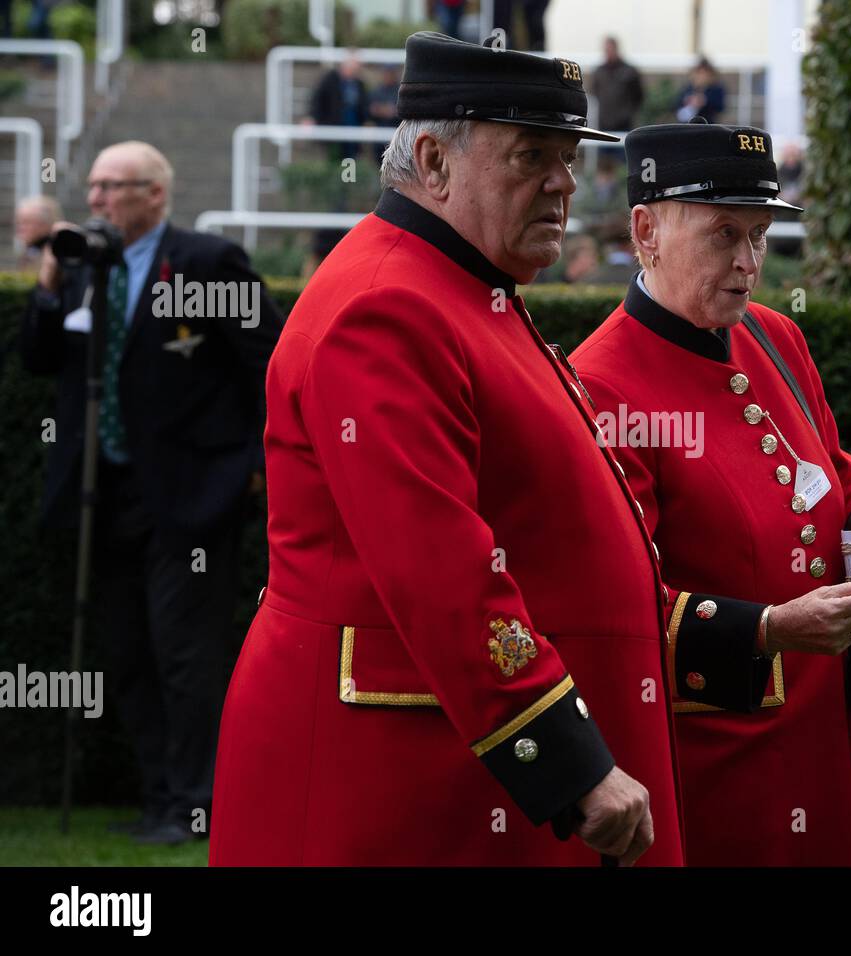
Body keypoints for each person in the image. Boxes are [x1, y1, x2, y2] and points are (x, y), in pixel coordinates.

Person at [209, 32, 724, 867]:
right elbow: (438, 567)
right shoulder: (388, 306)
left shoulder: (461, 286)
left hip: (448, 766)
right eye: (531, 154)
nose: (564, 181)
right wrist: (567, 757)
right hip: (395, 779)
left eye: (568, 155)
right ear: (432, 162)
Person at [571, 120, 851, 865]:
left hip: (830, 737)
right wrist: (767, 627)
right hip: (714, 762)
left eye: (760, 236)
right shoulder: (600, 382)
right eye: (723, 234)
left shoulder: (774, 335)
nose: (748, 263)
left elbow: (828, 466)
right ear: (647, 230)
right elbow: (615, 609)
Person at [18, 141, 284, 845]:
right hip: (99, 495)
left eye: (114, 187)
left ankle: (197, 804)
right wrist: (48, 283)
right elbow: (41, 359)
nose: (98, 199)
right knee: (128, 654)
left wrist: (252, 468)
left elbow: (272, 363)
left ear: (155, 195)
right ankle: (158, 798)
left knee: (186, 656)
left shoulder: (203, 263)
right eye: (95, 186)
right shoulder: (84, 263)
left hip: (190, 499)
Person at [306, 50, 369, 161]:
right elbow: (317, 99)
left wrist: (367, 121)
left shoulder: (358, 83)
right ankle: (335, 177)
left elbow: (363, 106)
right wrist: (312, 117)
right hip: (333, 126)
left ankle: (348, 178)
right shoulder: (330, 79)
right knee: (334, 158)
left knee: (350, 160)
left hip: (352, 128)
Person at [588, 36, 643, 132]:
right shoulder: (599, 71)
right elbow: (594, 92)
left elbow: (638, 95)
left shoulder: (629, 71)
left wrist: (627, 113)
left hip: (624, 124)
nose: (608, 52)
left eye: (610, 49)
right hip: (604, 124)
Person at [13, 194, 61, 273]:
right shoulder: (30, 251)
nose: (20, 229)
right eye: (18, 223)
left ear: (46, 224)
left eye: (26, 222)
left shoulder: (55, 255)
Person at [675, 58, 726, 124]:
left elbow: (720, 106)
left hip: (708, 125)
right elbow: (677, 104)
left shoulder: (716, 89)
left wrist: (704, 101)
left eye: (704, 74)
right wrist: (687, 100)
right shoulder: (688, 89)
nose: (701, 77)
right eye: (699, 73)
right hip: (687, 126)